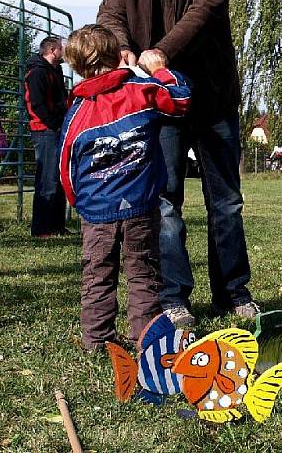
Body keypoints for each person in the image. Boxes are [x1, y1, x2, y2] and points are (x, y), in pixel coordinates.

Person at [97, 0, 256, 325]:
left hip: (212, 96)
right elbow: (111, 13)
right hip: (157, 103)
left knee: (225, 201)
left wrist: (160, 52)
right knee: (164, 200)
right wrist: (122, 46)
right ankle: (173, 297)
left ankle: (233, 292)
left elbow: (203, 13)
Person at [60, 24, 191, 351]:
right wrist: (161, 70)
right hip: (140, 206)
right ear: (117, 55)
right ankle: (146, 340)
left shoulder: (77, 112)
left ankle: (97, 339)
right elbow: (180, 99)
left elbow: (66, 165)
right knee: (143, 274)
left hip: (96, 211)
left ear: (75, 67)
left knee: (97, 276)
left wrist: (79, 202)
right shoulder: (141, 90)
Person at [25, 36, 68, 237]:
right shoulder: (37, 73)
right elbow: (36, 105)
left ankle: (56, 225)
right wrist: (53, 124)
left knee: (58, 179)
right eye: (61, 48)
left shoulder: (55, 71)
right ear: (52, 50)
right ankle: (42, 228)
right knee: (47, 179)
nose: (64, 51)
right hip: (44, 131)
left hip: (54, 129)